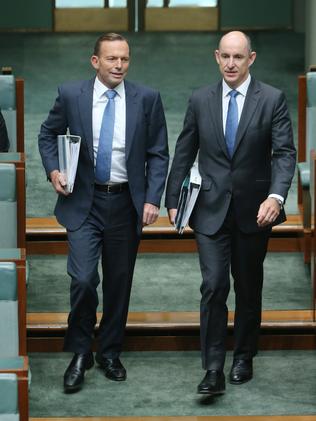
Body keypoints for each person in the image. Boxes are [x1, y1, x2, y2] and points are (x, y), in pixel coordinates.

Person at [165, 31, 296, 395]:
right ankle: (212, 368)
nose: (231, 64)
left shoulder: (272, 99)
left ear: (251, 58)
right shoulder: (200, 99)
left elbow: (284, 154)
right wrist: (173, 198)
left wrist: (276, 197)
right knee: (213, 285)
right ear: (216, 57)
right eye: (225, 56)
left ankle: (244, 355)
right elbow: (185, 150)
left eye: (238, 57)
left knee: (248, 286)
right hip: (209, 209)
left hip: (256, 211)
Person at [38, 33, 169, 393]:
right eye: (111, 59)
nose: (119, 66)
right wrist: (53, 171)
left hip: (126, 203)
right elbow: (48, 135)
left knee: (118, 283)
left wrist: (152, 198)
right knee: (82, 280)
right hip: (84, 201)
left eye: (124, 59)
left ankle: (109, 351)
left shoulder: (147, 99)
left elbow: (159, 152)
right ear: (95, 61)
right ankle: (81, 351)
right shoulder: (71, 95)